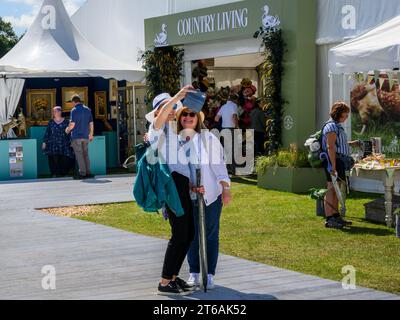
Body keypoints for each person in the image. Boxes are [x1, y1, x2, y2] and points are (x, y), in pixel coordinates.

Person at [148, 87, 198, 296]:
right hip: (172, 186)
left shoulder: (170, 131)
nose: (171, 111)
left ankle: (174, 278)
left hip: (180, 184)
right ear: (158, 111)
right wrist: (176, 97)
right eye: (166, 108)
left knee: (188, 233)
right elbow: (158, 122)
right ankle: (165, 281)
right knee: (179, 234)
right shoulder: (156, 127)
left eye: (172, 108)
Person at [322, 102, 359, 229]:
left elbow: (337, 144)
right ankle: (329, 219)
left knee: (337, 189)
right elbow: (330, 147)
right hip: (334, 161)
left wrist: (350, 143)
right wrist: (332, 166)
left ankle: (336, 216)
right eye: (345, 113)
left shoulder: (337, 126)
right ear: (338, 113)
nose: (347, 116)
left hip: (339, 161)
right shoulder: (331, 126)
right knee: (331, 189)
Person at [66, 95, 95, 180]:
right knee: (85, 154)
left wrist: (67, 130)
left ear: (74, 102)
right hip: (86, 136)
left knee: (79, 155)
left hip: (77, 136)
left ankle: (82, 173)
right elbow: (91, 124)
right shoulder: (87, 109)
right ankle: (88, 172)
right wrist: (91, 134)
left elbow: (72, 124)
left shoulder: (74, 110)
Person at [42, 107, 74, 177]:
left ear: (60, 112)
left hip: (64, 143)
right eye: (53, 112)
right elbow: (47, 132)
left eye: (55, 111)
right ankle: (54, 173)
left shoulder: (66, 122)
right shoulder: (51, 122)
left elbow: (70, 132)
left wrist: (72, 141)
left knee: (65, 159)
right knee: (53, 159)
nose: (54, 113)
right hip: (53, 143)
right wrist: (44, 142)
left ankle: (64, 173)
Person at [215, 93, 239, 174]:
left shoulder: (223, 106)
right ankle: (233, 169)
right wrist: (237, 126)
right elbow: (234, 116)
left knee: (226, 149)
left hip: (224, 129)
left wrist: (224, 119)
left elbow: (216, 118)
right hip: (231, 128)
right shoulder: (234, 105)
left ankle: (227, 169)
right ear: (234, 100)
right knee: (233, 149)